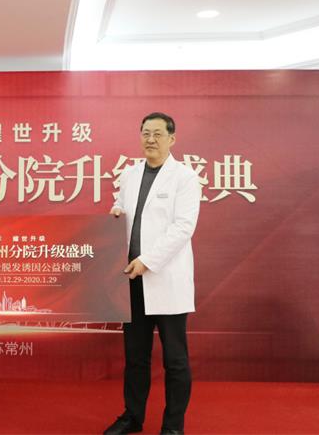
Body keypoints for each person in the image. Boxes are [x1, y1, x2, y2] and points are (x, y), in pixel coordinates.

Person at [104, 113, 201, 435]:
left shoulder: (185, 177)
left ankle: (173, 427)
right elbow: (122, 206)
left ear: (172, 139)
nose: (150, 139)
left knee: (175, 359)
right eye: (146, 133)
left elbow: (183, 227)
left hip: (165, 278)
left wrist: (148, 260)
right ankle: (132, 417)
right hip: (131, 278)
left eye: (158, 134)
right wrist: (116, 213)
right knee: (135, 356)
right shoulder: (130, 174)